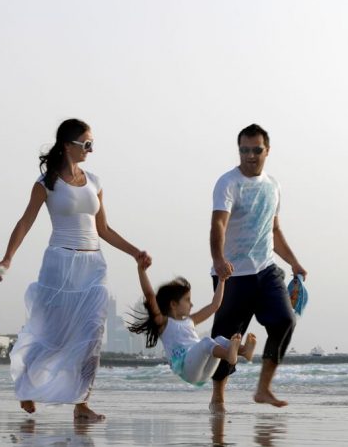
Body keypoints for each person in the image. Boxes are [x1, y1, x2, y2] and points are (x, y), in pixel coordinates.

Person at [0, 118, 151, 422]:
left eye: (92, 144)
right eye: (86, 144)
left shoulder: (95, 181)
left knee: (92, 335)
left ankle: (82, 403)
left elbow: (103, 228)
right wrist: (8, 258)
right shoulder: (46, 184)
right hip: (60, 264)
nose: (91, 150)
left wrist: (135, 252)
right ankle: (28, 384)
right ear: (68, 145)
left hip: (94, 266)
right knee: (54, 333)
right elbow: (25, 222)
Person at [209, 123, 308, 410]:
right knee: (227, 339)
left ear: (267, 151)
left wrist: (294, 261)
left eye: (256, 150)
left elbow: (273, 230)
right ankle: (218, 395)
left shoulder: (273, 185)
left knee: (285, 321)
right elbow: (218, 224)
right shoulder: (228, 183)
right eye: (244, 150)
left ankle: (263, 388)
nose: (250, 156)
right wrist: (218, 259)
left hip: (266, 270)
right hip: (233, 274)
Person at [127, 259, 256, 385]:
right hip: (186, 368)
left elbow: (215, 305)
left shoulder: (190, 321)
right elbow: (150, 295)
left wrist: (221, 280)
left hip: (204, 371)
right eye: (187, 300)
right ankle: (229, 354)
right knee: (207, 342)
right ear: (173, 304)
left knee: (219, 340)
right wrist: (141, 270)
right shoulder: (163, 323)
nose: (191, 304)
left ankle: (244, 351)